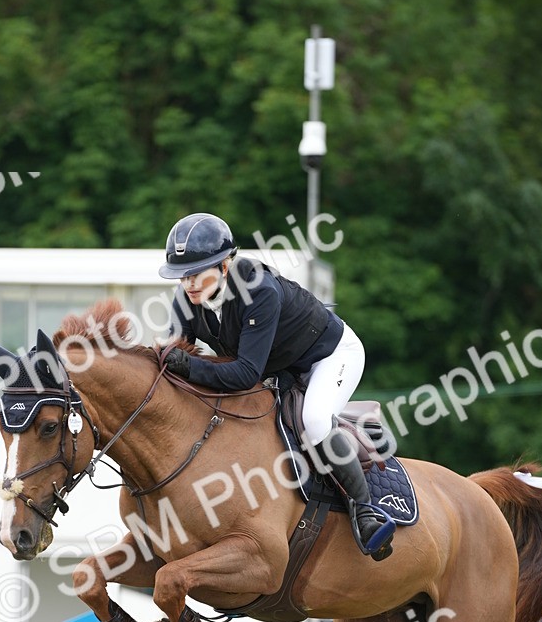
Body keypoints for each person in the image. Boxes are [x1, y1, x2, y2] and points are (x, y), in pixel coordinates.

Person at [159, 212, 395, 559]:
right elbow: (170, 356)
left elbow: (244, 375)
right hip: (280, 367)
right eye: (182, 276)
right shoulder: (187, 300)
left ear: (225, 265)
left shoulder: (259, 291)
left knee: (314, 421)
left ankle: (365, 512)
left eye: (196, 274)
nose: (189, 284)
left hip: (329, 357)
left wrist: (189, 365)